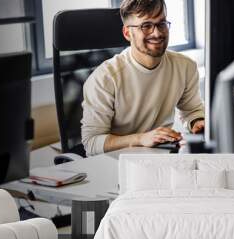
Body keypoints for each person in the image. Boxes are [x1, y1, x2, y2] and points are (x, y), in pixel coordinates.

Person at [81, 0, 205, 155]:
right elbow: (91, 143)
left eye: (161, 24)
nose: (157, 33)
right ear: (127, 33)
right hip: (116, 164)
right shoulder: (105, 78)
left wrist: (197, 122)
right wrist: (140, 139)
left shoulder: (185, 66)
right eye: (146, 26)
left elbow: (192, 110)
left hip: (161, 158)